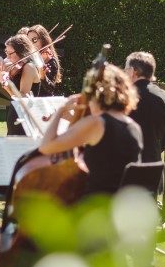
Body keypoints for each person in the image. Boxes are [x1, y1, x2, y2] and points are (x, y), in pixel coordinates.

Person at [40, 63, 143, 197]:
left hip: (96, 205)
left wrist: (61, 109)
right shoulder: (133, 126)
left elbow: (46, 146)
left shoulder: (96, 123)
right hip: (123, 204)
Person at [0, 33, 41, 135]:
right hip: (15, 112)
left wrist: (5, 84)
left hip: (25, 117)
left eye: (10, 53)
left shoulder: (29, 67)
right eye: (6, 53)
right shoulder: (12, 65)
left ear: (21, 52)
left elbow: (22, 98)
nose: (7, 57)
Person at [125, 51, 165, 164]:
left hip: (128, 165)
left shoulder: (124, 96)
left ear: (132, 71)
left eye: (126, 69)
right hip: (154, 164)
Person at [20, 24, 63, 96]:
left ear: (43, 40)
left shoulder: (50, 60)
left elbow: (50, 89)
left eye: (34, 40)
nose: (31, 44)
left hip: (42, 101)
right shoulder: (27, 57)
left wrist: (43, 76)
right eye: (29, 41)